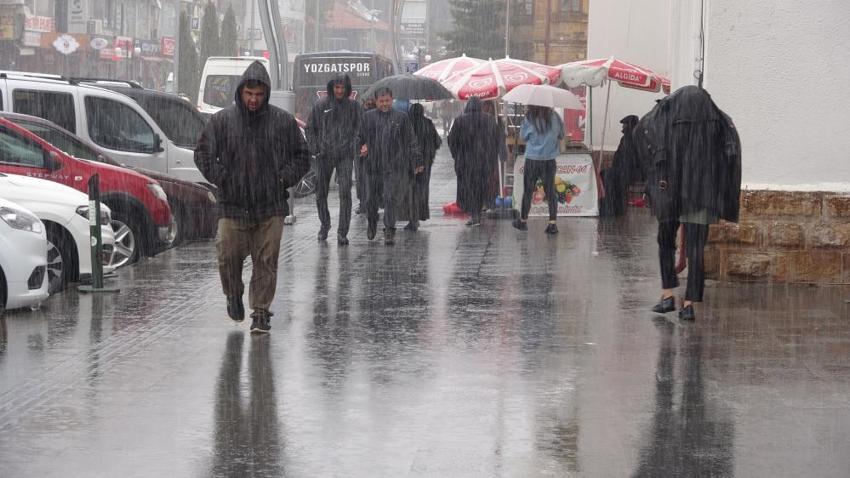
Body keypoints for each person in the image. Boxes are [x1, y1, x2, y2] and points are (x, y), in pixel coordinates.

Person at [195, 61, 310, 333]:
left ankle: (260, 310)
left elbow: (302, 155)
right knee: (227, 255)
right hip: (233, 205)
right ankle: (233, 293)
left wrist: (283, 178)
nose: (254, 100)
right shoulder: (222, 121)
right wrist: (223, 177)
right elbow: (202, 154)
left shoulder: (282, 122)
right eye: (249, 94)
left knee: (266, 260)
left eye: (259, 95)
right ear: (241, 92)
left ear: (266, 93)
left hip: (270, 206)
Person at [635, 85, 741, 321]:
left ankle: (667, 295)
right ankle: (689, 303)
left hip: (669, 192)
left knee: (665, 242)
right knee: (695, 250)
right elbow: (729, 156)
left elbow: (642, 130)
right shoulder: (717, 120)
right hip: (701, 194)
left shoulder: (666, 119)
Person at [305, 73, 363, 245]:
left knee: (345, 192)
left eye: (342, 88)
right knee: (320, 193)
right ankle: (325, 225)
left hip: (345, 156)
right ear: (332, 87)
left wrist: (355, 145)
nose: (339, 91)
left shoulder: (353, 107)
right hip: (324, 156)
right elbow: (310, 128)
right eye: (337, 87)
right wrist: (315, 148)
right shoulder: (321, 105)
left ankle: (342, 232)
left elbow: (360, 128)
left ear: (347, 89)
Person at [360, 87, 423, 245]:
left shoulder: (401, 118)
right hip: (372, 166)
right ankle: (372, 222)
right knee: (370, 200)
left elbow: (411, 140)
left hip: (394, 165)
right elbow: (358, 137)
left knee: (390, 198)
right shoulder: (368, 117)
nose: (385, 104)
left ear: (392, 99)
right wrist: (361, 146)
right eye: (381, 101)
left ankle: (389, 229)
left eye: (387, 100)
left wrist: (417, 160)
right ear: (376, 101)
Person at [448, 97, 502, 226]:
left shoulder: (460, 120)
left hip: (465, 162)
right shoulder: (489, 120)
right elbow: (496, 140)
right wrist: (492, 156)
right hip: (484, 162)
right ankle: (477, 212)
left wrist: (457, 155)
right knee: (480, 187)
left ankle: (474, 214)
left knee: (469, 188)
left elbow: (451, 141)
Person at [514, 104, 565, 234]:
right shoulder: (555, 117)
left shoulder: (529, 117)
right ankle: (552, 224)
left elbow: (523, 137)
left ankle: (523, 221)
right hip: (548, 160)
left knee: (528, 191)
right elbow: (561, 135)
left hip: (532, 160)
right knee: (551, 192)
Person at [405, 103, 442, 229]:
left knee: (410, 190)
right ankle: (419, 214)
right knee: (422, 190)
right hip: (425, 163)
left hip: (409, 162)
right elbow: (438, 142)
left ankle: (412, 218)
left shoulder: (407, 124)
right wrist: (429, 153)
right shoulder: (428, 123)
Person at [600, 115, 640, 217]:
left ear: (629, 126)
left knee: (608, 176)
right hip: (622, 170)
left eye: (624, 125)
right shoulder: (626, 138)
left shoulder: (633, 138)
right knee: (605, 174)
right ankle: (612, 205)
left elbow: (629, 159)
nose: (622, 128)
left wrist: (618, 168)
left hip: (629, 171)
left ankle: (612, 206)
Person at [355, 97, 377, 215]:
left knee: (371, 181)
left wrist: (369, 144)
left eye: (371, 101)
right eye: (367, 101)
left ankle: (371, 204)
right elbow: (357, 133)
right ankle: (363, 204)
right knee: (361, 180)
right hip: (360, 154)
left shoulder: (378, 115)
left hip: (374, 153)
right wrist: (361, 145)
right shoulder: (360, 114)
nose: (369, 103)